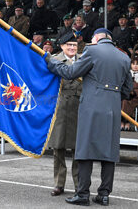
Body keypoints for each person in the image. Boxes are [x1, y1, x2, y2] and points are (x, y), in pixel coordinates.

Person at [46, 28, 133, 206]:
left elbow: (70, 73)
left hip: (91, 107)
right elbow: (127, 90)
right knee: (109, 153)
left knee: (85, 150)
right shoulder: (124, 57)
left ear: (97, 38)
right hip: (113, 109)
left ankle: (83, 194)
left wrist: (50, 61)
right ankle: (104, 194)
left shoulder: (91, 51)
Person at [48, 32, 81, 197]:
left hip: (79, 108)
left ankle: (79, 185)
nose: (72, 48)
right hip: (60, 107)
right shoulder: (53, 60)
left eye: (74, 45)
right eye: (69, 45)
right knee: (58, 149)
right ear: (62, 46)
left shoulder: (83, 59)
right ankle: (59, 183)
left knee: (78, 150)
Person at [121, 57, 138, 131]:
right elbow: (123, 85)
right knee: (123, 100)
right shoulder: (127, 74)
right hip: (127, 95)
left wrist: (134, 92)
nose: (135, 66)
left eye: (137, 64)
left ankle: (124, 121)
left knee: (126, 101)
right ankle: (125, 121)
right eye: (133, 64)